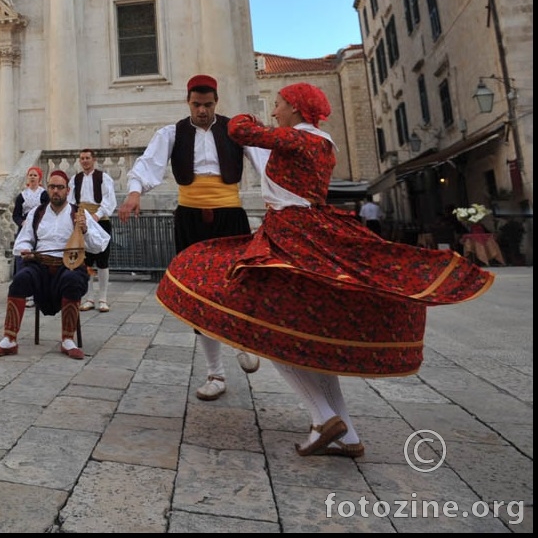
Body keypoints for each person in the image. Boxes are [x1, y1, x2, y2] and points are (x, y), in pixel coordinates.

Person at [157, 83, 494, 458]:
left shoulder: (297, 139)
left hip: (289, 235)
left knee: (268, 328)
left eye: (280, 105)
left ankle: (322, 417)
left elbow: (238, 130)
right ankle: (347, 434)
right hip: (313, 230)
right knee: (307, 336)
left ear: (297, 111)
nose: (275, 112)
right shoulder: (324, 142)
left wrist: (240, 115)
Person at [117, 74, 267, 400]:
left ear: (217, 102)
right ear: (188, 101)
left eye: (208, 104)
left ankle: (242, 341)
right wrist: (134, 193)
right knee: (197, 295)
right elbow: (148, 165)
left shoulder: (234, 131)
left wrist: (279, 199)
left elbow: (265, 162)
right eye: (197, 104)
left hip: (230, 216)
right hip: (190, 219)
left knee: (237, 284)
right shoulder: (171, 133)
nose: (202, 110)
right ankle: (215, 373)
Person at [0, 170, 110, 361]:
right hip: (41, 265)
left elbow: (99, 245)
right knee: (20, 279)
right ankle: (9, 339)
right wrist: (26, 250)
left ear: (67, 191)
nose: (55, 191)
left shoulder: (79, 213)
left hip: (68, 265)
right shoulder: (37, 213)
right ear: (48, 189)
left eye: (60, 187)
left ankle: (68, 339)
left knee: (72, 279)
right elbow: (23, 240)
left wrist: (85, 230)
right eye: (52, 187)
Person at [69, 149, 117, 313]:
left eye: (87, 158)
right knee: (86, 260)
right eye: (82, 158)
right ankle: (89, 298)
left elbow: (109, 199)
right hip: (83, 221)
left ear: (93, 160)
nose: (85, 161)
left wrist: (97, 215)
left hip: (100, 220)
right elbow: (72, 201)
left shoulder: (103, 177)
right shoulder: (75, 179)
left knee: (103, 260)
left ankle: (103, 299)